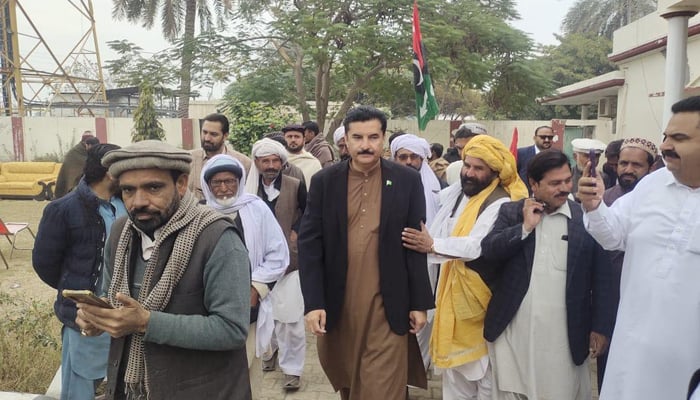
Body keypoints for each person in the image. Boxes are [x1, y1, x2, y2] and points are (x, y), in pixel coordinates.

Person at [75, 140, 251, 400]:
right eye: (128, 190)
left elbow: (232, 329)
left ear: (181, 184)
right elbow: (113, 299)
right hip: (128, 388)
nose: (139, 202)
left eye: (153, 187)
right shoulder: (121, 233)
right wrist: (98, 318)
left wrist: (147, 322)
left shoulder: (217, 238)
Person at [298, 105, 434, 400]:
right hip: (340, 304)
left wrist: (420, 303)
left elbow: (416, 244)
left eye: (373, 137)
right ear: (345, 140)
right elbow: (310, 246)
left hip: (388, 306)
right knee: (349, 384)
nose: (366, 144)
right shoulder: (325, 181)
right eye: (357, 137)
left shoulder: (406, 180)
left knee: (380, 387)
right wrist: (313, 302)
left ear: (383, 138)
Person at [577, 96, 700, 400]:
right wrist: (593, 207)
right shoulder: (652, 185)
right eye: (666, 137)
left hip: (688, 365)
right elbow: (613, 236)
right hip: (630, 353)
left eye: (680, 138)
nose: (667, 146)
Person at [480, 149, 615, 400]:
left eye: (567, 181)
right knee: (511, 391)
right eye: (554, 183)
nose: (564, 188)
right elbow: (489, 251)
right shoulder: (513, 212)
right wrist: (524, 228)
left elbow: (604, 278)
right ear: (534, 184)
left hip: (564, 337)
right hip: (514, 332)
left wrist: (600, 327)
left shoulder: (585, 218)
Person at [402, 135, 528, 400]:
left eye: (478, 168)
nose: (469, 173)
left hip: (481, 302)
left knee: (485, 380)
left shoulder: (501, 203)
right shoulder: (460, 195)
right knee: (455, 379)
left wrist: (432, 244)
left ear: (494, 172)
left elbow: (477, 246)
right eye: (467, 165)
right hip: (451, 293)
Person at [33, 143, 125, 400]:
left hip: (122, 313)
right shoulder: (63, 209)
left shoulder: (127, 205)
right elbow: (45, 263)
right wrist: (76, 290)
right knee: (81, 386)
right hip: (85, 314)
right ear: (109, 171)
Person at [200, 154, 288, 397]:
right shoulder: (199, 213)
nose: (224, 188)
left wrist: (255, 288)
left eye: (230, 181)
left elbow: (278, 253)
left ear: (240, 181)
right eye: (216, 183)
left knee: (247, 370)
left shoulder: (256, 208)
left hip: (248, 308)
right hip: (209, 311)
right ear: (207, 185)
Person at [246, 138, 307, 391]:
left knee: (290, 318)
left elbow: (310, 213)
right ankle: (267, 353)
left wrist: (296, 231)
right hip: (257, 265)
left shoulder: (295, 185)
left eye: (275, 160)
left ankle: (292, 370)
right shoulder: (249, 189)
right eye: (265, 161)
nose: (270, 165)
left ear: (282, 163)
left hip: (289, 262)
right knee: (262, 313)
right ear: (257, 163)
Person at [596, 137, 657, 391]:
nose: (628, 170)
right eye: (623, 163)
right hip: (608, 299)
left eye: (636, 165)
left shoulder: (659, 201)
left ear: (651, 169)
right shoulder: (603, 199)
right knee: (609, 372)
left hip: (647, 303)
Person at [389, 133, 442, 371]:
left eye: (414, 157)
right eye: (403, 157)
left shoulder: (437, 189)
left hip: (430, 260)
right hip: (393, 260)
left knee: (424, 313)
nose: (409, 162)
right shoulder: (385, 184)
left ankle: (419, 366)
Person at [189, 113, 252, 199]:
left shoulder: (244, 163)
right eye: (204, 132)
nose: (207, 138)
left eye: (213, 134)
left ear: (225, 136)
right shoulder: (188, 159)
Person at [54, 132, 100, 198]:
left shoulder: (96, 152)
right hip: (77, 185)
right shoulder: (74, 153)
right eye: (88, 144)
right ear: (84, 143)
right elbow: (71, 171)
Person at [283, 124, 322, 190]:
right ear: (284, 139)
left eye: (297, 137)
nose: (293, 140)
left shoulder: (313, 163)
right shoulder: (279, 160)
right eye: (289, 137)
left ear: (304, 140)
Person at [516, 126, 554, 192]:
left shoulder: (557, 156)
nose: (547, 140)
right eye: (543, 137)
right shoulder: (521, 153)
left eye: (550, 137)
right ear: (535, 138)